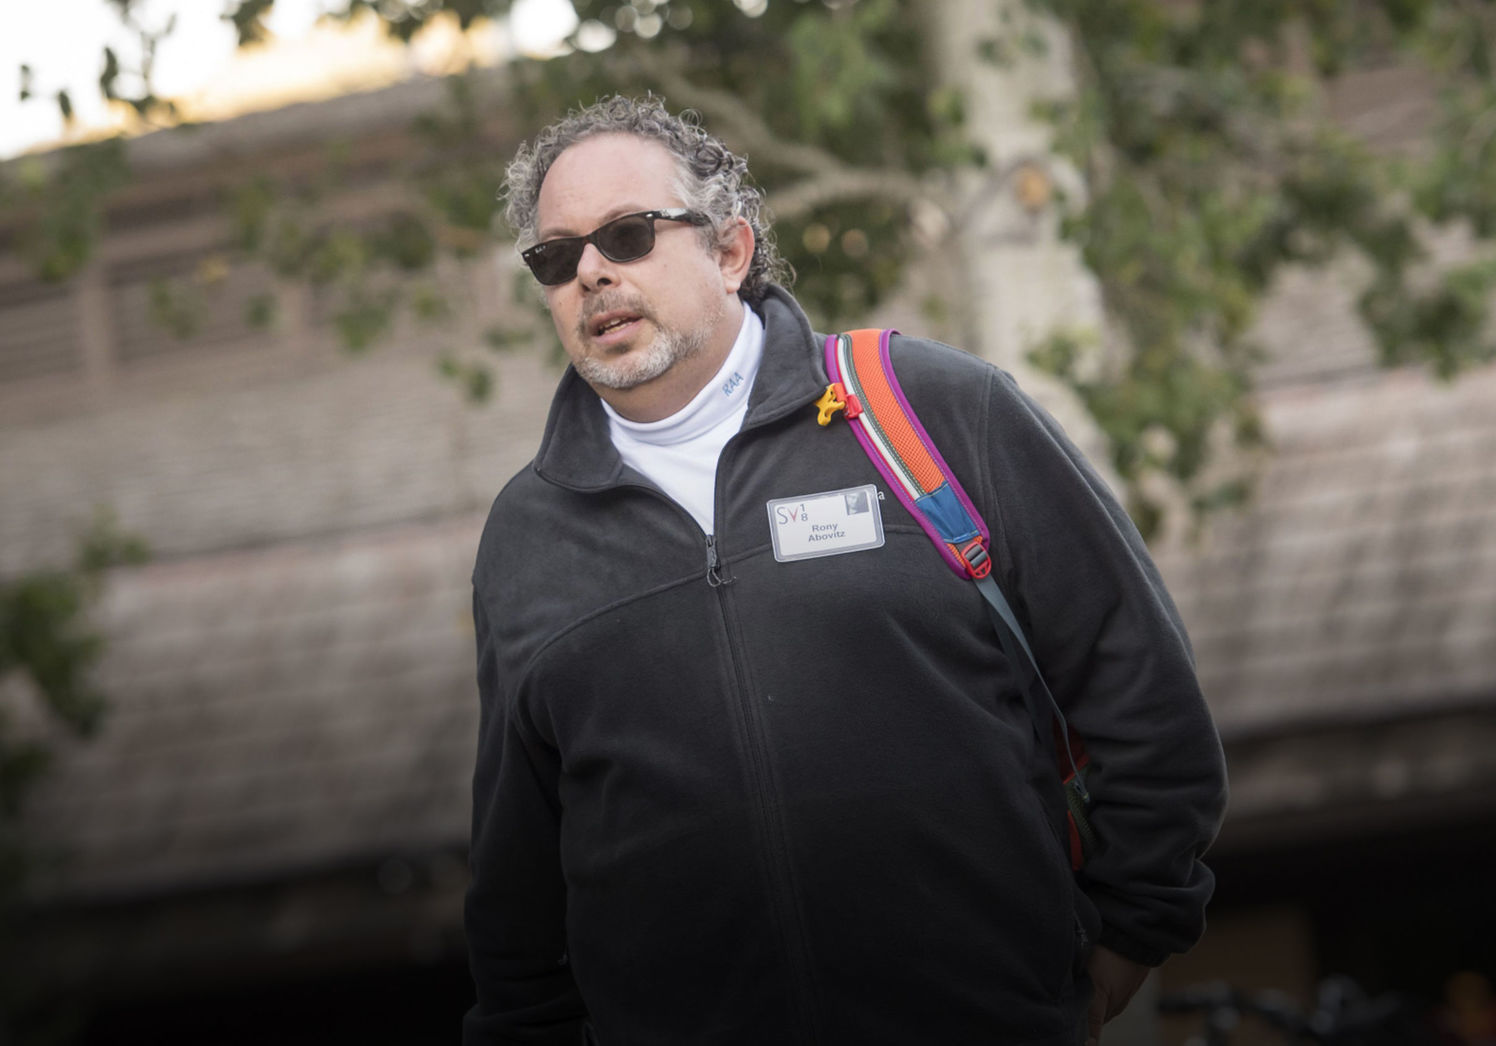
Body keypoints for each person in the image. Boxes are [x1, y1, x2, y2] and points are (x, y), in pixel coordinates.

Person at [464, 94, 1227, 1046]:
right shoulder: (526, 538)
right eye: (556, 256)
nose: (591, 274)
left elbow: (1144, 692)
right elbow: (516, 872)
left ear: (730, 251)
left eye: (626, 234)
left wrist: (1125, 939)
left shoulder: (937, 410)